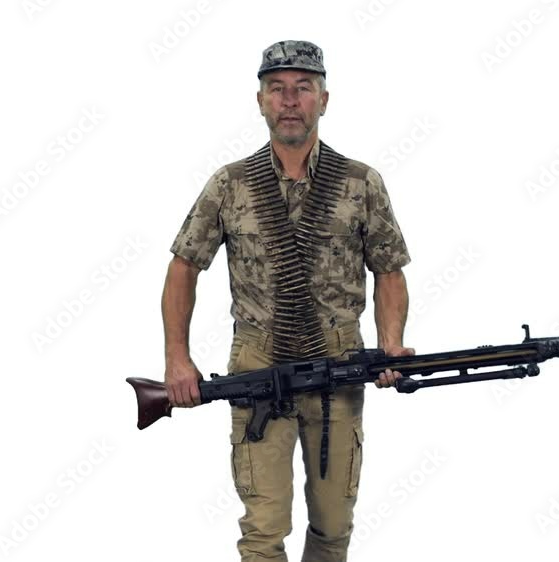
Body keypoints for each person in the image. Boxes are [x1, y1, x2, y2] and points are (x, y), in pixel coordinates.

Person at [163, 39, 413, 562]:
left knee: (333, 525)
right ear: (260, 101)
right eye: (277, 89)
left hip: (340, 360)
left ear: (324, 99)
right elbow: (184, 268)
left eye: (303, 88)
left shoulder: (360, 182)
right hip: (259, 360)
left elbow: (389, 271)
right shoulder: (231, 184)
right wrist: (177, 360)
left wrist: (391, 345)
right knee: (263, 531)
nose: (290, 100)